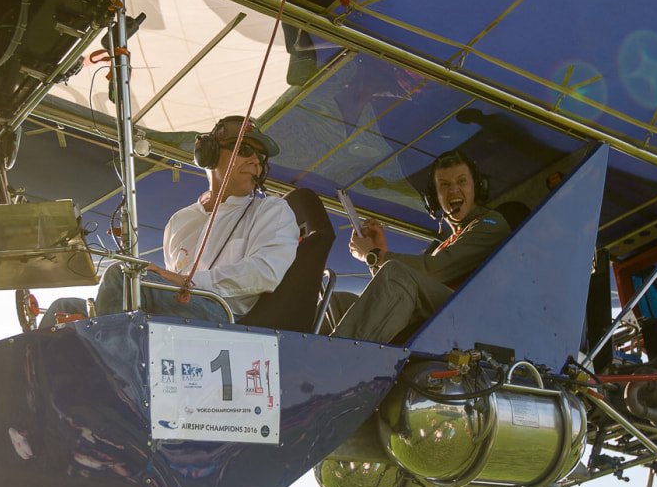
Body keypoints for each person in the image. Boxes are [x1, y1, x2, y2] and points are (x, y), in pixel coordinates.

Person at [49, 115, 299, 323]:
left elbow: (265, 272)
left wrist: (187, 282)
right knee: (62, 307)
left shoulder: (272, 210)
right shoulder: (179, 221)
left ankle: (106, 359)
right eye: (244, 150)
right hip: (179, 310)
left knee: (122, 276)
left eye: (261, 157)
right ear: (209, 155)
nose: (255, 161)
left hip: (226, 315)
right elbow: (166, 288)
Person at [332, 150, 511, 344]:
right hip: (437, 315)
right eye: (445, 185)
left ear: (476, 186)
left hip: (470, 319)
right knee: (339, 303)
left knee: (396, 273)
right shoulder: (440, 244)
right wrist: (377, 257)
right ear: (434, 198)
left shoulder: (491, 224)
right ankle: (312, 349)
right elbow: (395, 292)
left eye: (461, 181)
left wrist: (375, 254)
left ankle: (333, 355)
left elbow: (435, 270)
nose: (453, 190)